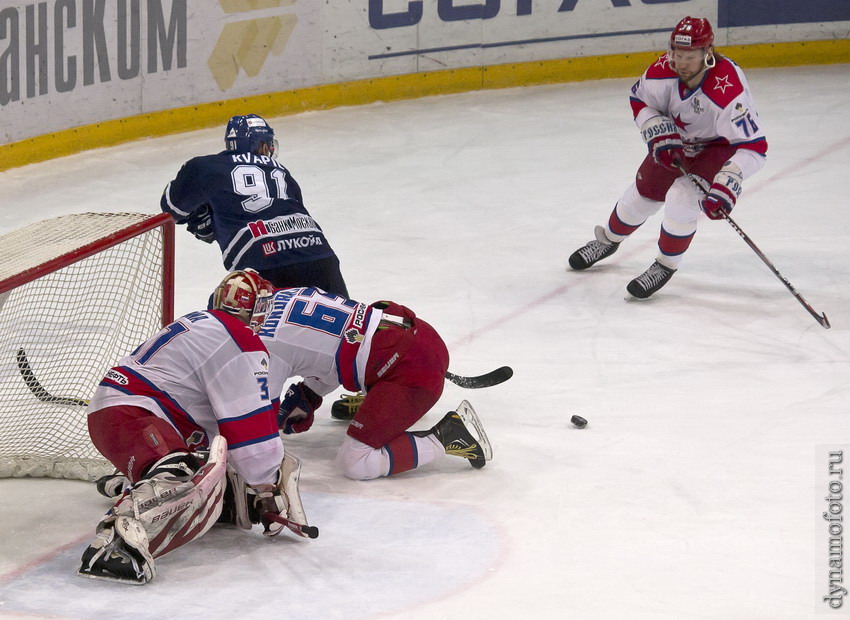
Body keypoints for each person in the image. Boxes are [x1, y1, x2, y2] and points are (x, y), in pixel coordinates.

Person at [78, 270, 312, 585]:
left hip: (123, 414)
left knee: (203, 466)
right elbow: (254, 441)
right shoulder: (239, 339)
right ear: (257, 311)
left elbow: (218, 428)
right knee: (178, 473)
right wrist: (267, 487)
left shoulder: (204, 324)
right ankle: (113, 546)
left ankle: (132, 483)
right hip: (134, 414)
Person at [568, 16, 768, 298]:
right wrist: (654, 126)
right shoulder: (661, 71)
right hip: (677, 142)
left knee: (681, 198)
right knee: (642, 194)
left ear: (707, 54)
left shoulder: (728, 91)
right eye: (676, 53)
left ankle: (665, 264)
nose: (680, 62)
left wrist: (730, 177)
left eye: (689, 56)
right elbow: (639, 101)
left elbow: (756, 147)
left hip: (717, 148)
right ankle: (608, 240)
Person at [257, 286, 493, 481]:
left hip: (412, 371)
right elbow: (330, 347)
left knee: (355, 463)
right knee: (354, 352)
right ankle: (375, 401)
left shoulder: (262, 347)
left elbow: (258, 430)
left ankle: (447, 436)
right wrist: (309, 394)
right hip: (410, 333)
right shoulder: (281, 293)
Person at [160, 114, 349, 297]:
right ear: (259, 144)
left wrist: (201, 217)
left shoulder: (204, 166)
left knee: (261, 328)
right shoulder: (281, 170)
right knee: (348, 324)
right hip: (318, 252)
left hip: (261, 259)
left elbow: (172, 208)